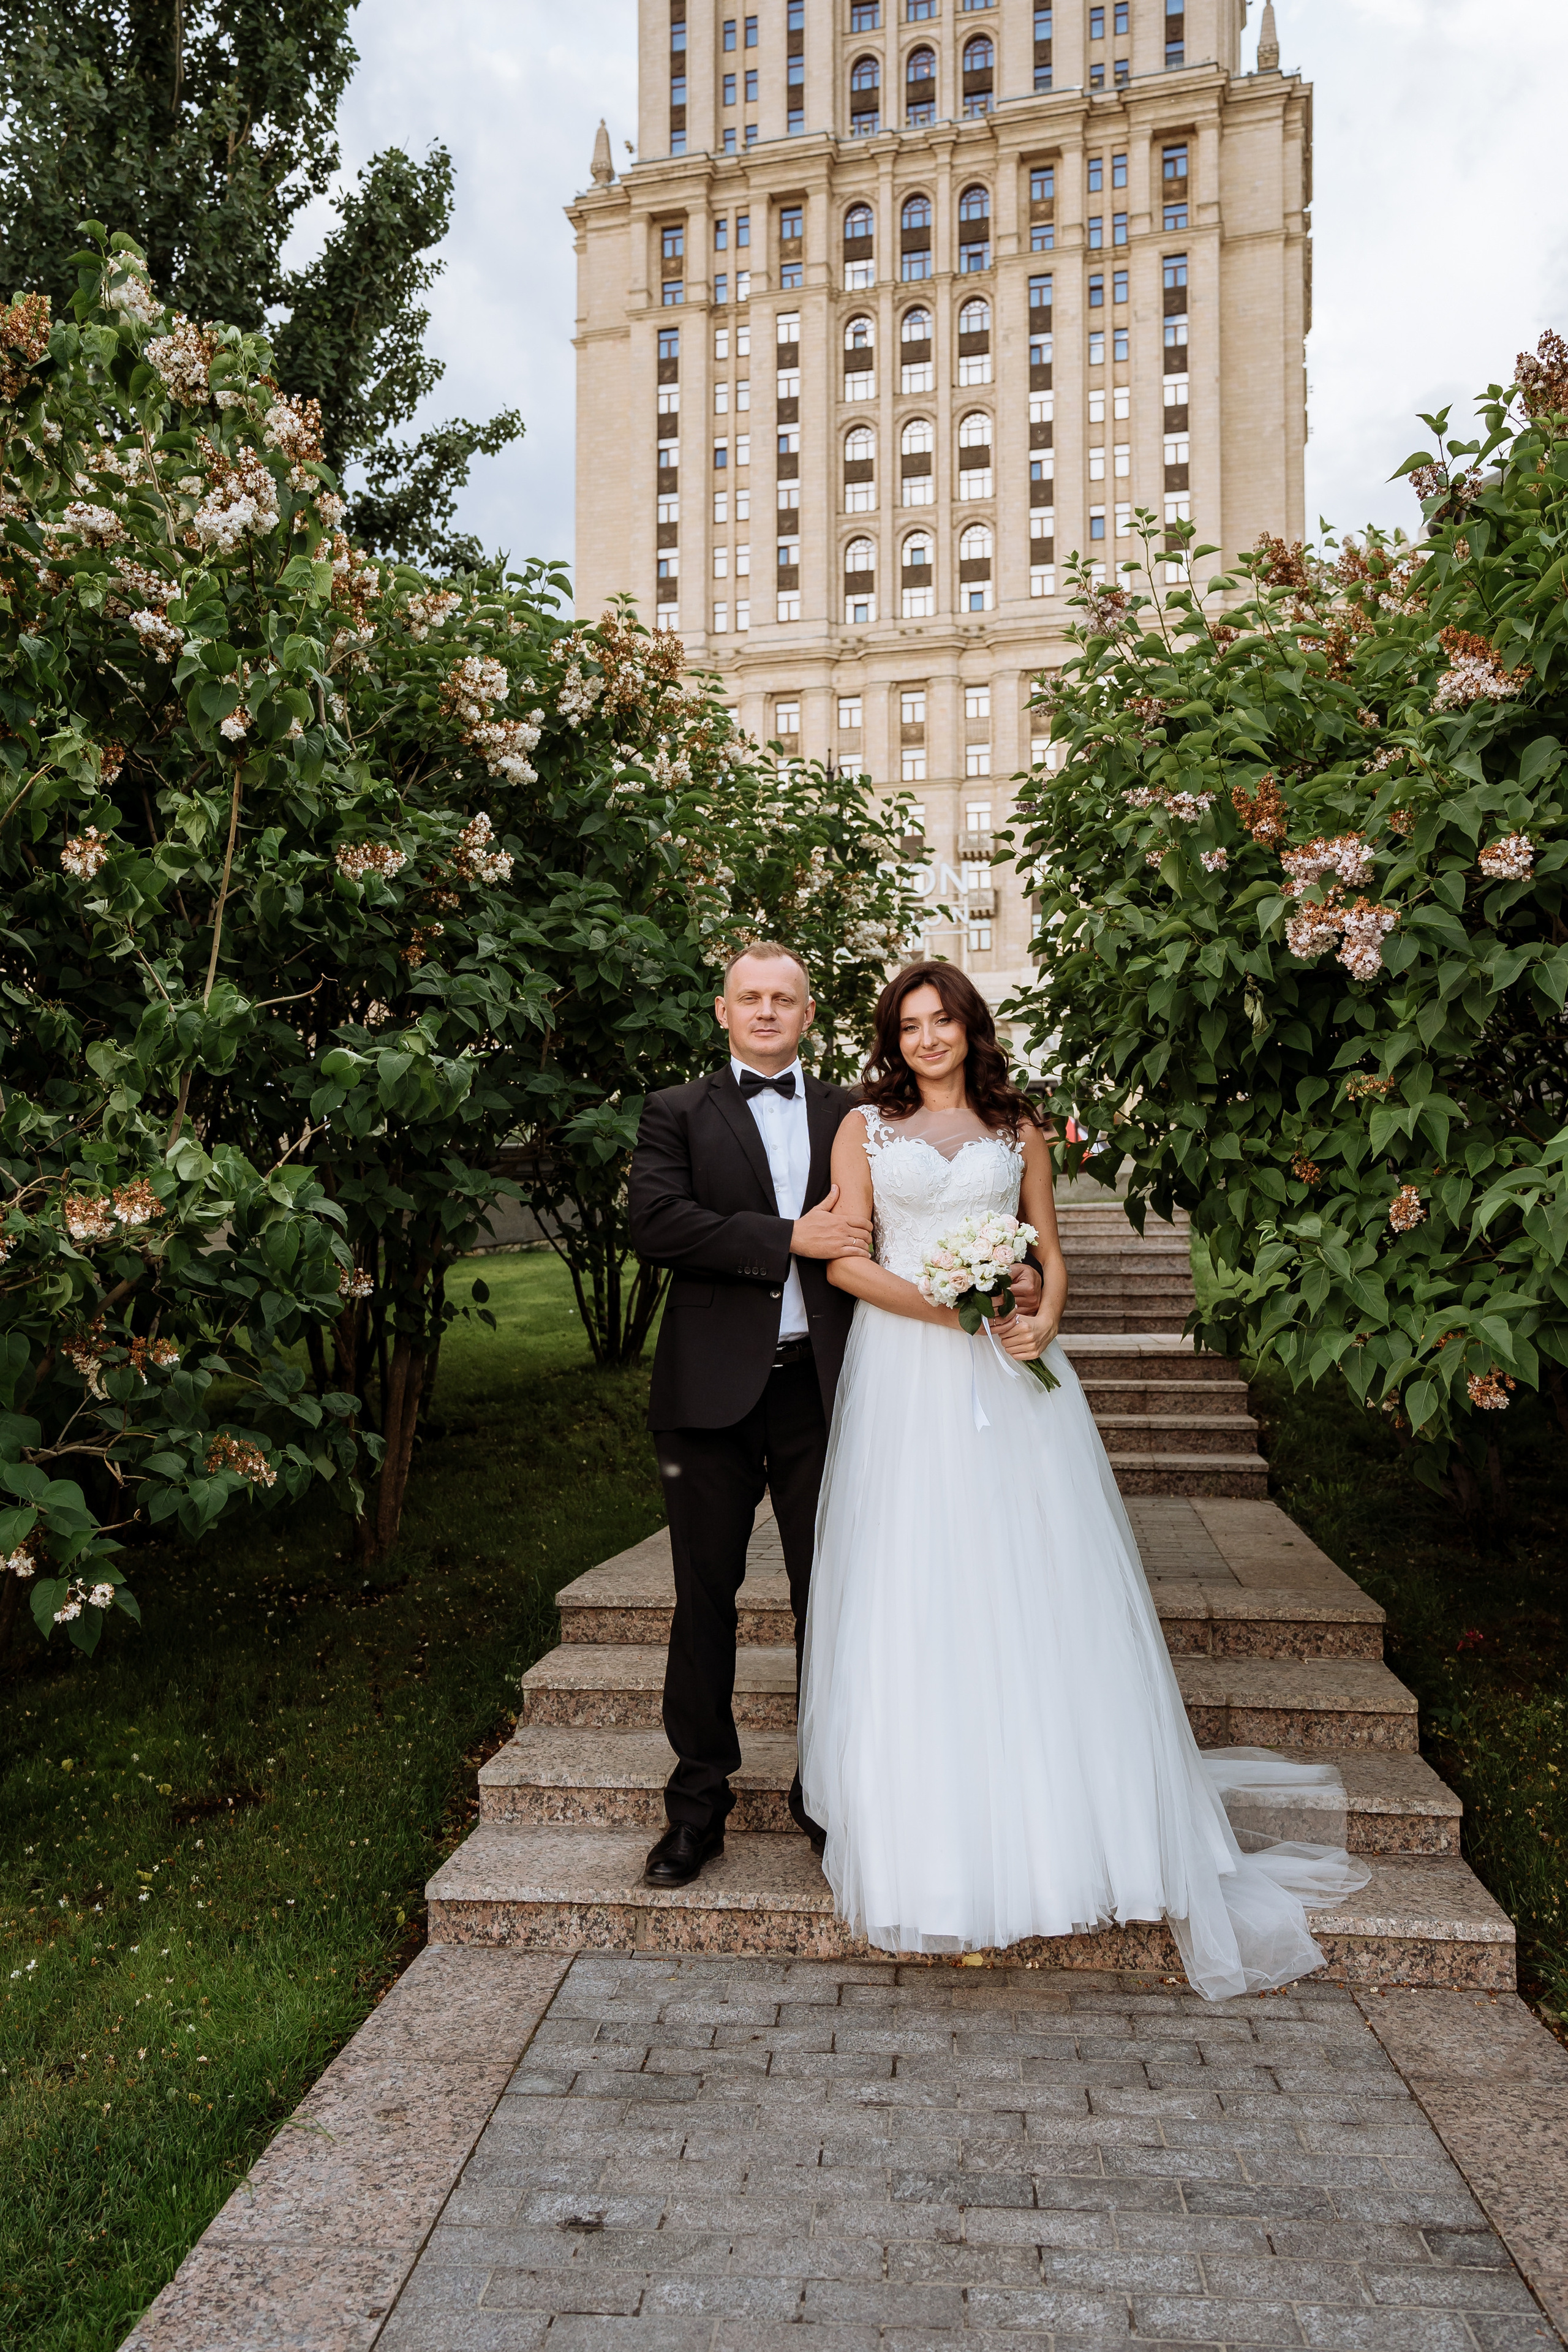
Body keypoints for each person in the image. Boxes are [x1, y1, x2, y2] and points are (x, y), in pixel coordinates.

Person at [796, 960, 1371, 1999]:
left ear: (972, 1028)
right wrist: (953, 1306)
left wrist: (1041, 1317)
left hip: (1017, 1367)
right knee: (916, 1579)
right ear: (893, 1037)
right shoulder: (861, 1126)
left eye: (944, 1021)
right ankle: (931, 1836)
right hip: (910, 1374)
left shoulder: (1020, 1128)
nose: (928, 1039)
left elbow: (1051, 1258)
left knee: (1037, 1581)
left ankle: (1067, 1824)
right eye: (910, 1024)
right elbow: (843, 1259)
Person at [627, 940, 1043, 1890]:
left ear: (809, 1015)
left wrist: (1008, 1273)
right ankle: (697, 1809)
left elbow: (923, 1213)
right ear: (723, 1012)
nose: (767, 1012)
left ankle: (831, 1798)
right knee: (704, 1603)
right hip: (706, 1397)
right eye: (750, 998)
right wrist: (786, 1238)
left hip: (830, 1389)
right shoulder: (677, 1112)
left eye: (785, 999)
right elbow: (655, 1224)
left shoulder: (859, 1117)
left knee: (840, 1602)